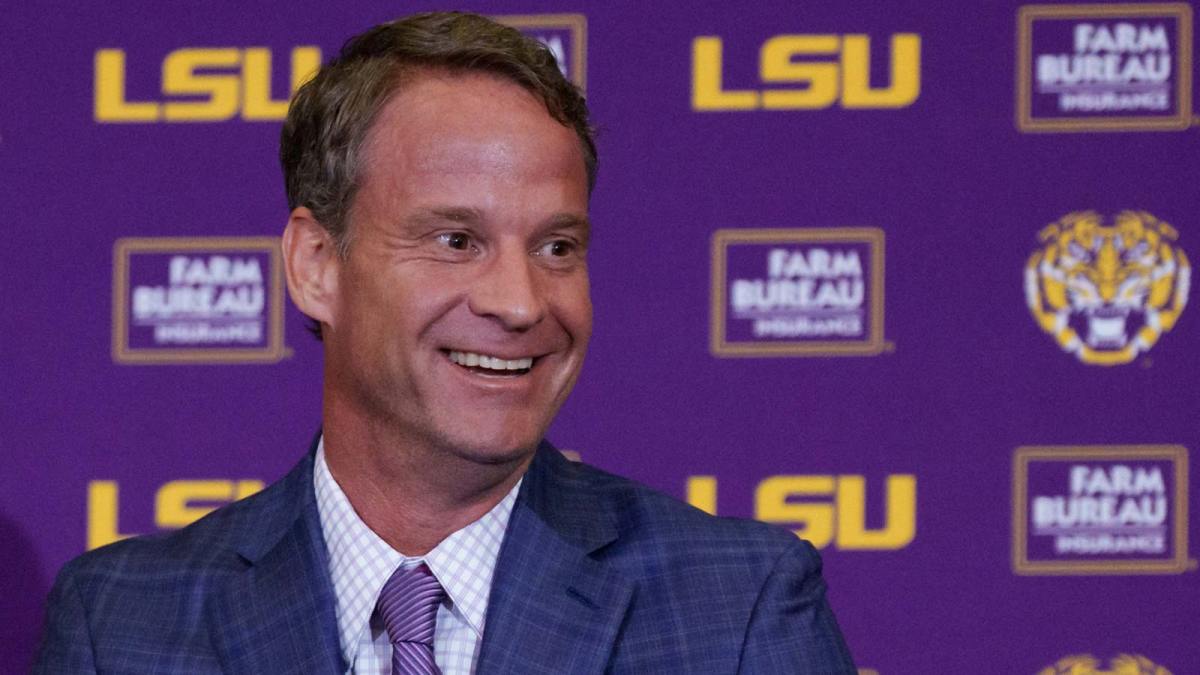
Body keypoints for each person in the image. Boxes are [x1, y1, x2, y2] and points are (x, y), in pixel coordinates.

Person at [36, 12, 855, 673]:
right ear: (317, 264)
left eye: (556, 247)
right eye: (456, 240)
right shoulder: (122, 624)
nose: (519, 301)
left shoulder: (735, 609)